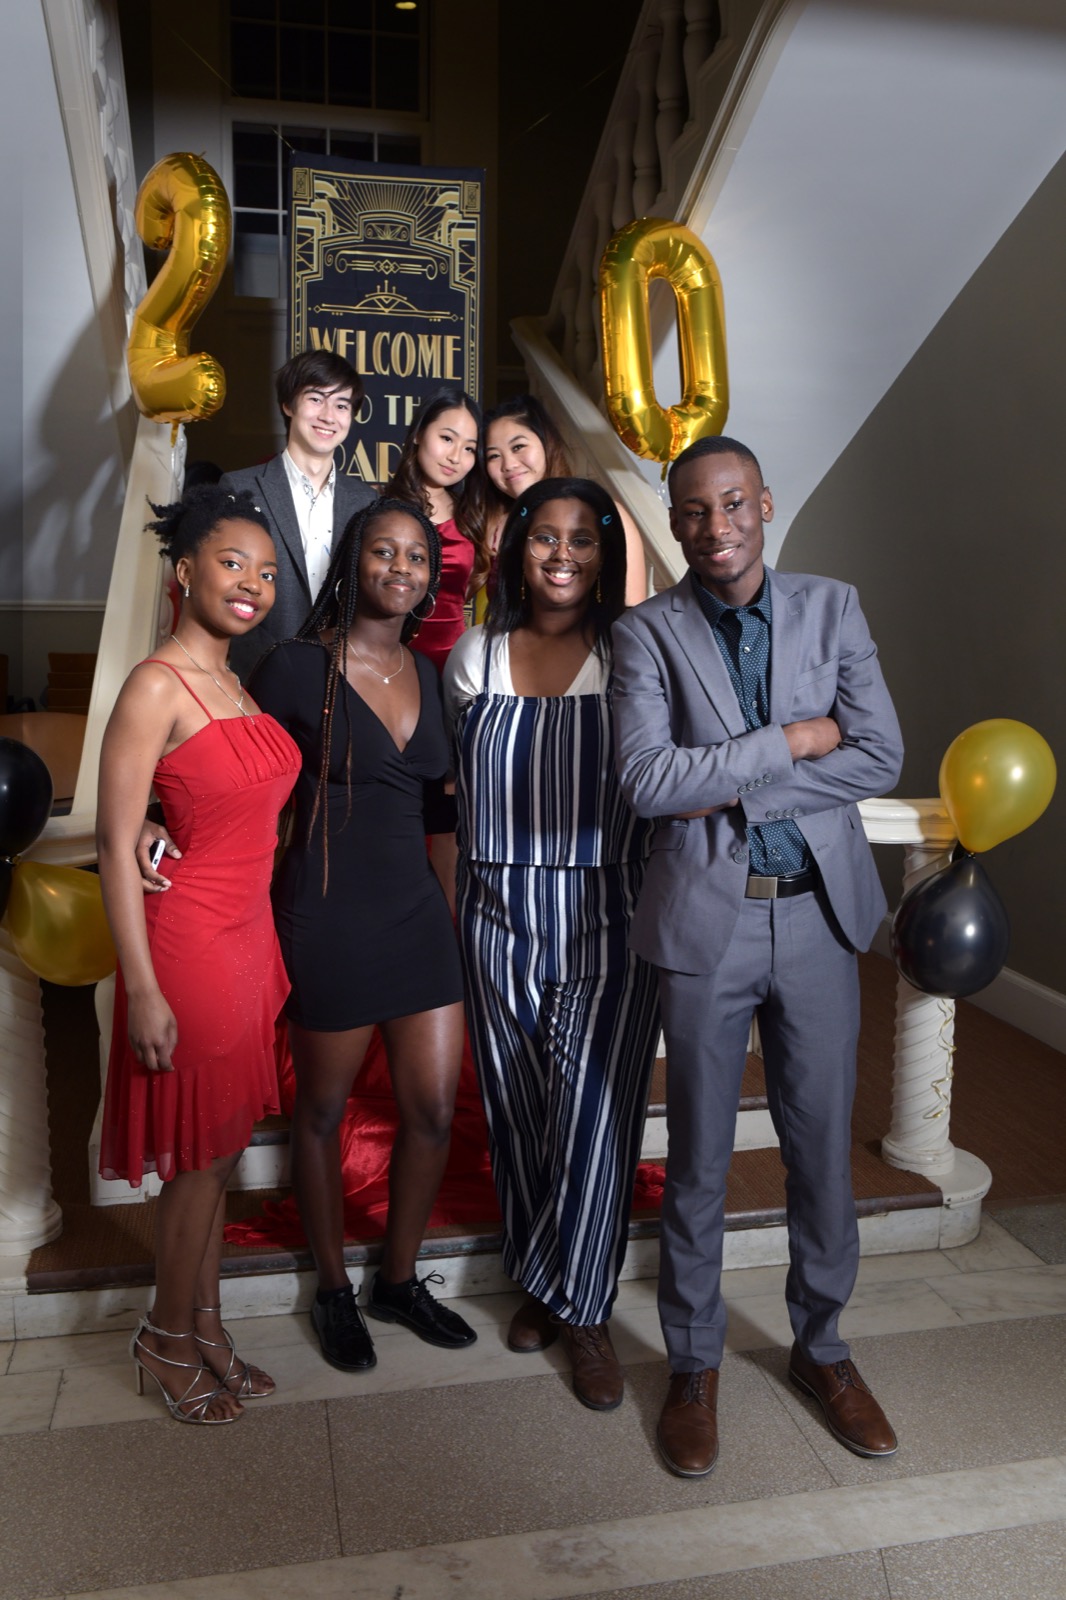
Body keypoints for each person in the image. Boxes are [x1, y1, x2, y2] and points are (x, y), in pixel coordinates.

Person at [611, 435, 904, 1476]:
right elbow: (648, 781)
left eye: (732, 504)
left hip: (818, 919)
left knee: (819, 1149)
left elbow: (880, 751)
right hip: (704, 924)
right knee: (694, 1159)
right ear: (674, 520)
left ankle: (822, 1347)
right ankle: (692, 1365)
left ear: (764, 504)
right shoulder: (643, 633)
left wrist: (733, 776)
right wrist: (793, 740)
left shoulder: (833, 606)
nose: (715, 527)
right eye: (693, 511)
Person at [444, 477, 660, 1412]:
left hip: (608, 912)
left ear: (606, 556)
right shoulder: (475, 657)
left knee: (589, 1111)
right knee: (519, 1106)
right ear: (515, 549)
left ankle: (585, 1309)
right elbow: (445, 787)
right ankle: (541, 1274)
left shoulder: (632, 653)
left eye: (583, 538)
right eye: (543, 537)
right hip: (495, 913)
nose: (562, 553)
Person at [247, 497, 477, 1369]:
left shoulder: (428, 671)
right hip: (330, 917)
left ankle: (398, 1278)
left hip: (419, 919)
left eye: (416, 558)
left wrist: (454, 923)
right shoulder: (295, 669)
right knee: (321, 1112)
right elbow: (248, 790)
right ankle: (334, 1290)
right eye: (383, 551)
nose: (401, 568)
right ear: (354, 561)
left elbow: (441, 815)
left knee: (428, 1110)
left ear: (428, 581)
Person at [97, 485, 300, 1423]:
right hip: (188, 950)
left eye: (266, 570)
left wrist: (153, 821)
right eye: (232, 564)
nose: (252, 583)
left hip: (250, 943)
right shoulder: (155, 682)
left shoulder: (236, 681)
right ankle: (164, 1337)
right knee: (199, 1161)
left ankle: (208, 1326)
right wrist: (140, 987)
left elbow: (210, 803)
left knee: (219, 1160)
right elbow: (110, 841)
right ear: (184, 573)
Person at [220, 349, 375, 678]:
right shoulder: (240, 487)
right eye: (316, 399)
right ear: (288, 405)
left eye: (342, 405)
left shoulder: (366, 501)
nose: (329, 416)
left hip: (344, 675)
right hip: (259, 672)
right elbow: (225, 587)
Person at [483, 394, 648, 607]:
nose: (508, 464)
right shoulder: (493, 525)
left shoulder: (604, 513)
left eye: (518, 447)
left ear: (546, 443)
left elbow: (631, 611)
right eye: (494, 456)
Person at [386, 386, 488, 674]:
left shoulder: (471, 517)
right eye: (446, 438)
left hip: (453, 663)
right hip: (390, 659)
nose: (456, 457)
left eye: (469, 448)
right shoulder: (382, 509)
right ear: (418, 433)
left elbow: (464, 591)